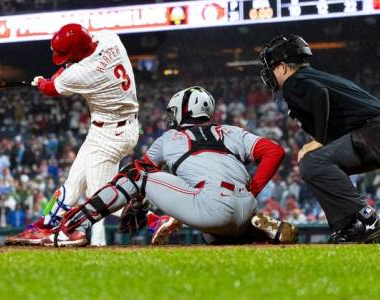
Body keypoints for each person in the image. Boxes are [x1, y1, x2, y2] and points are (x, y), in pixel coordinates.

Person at [43, 86, 295, 247]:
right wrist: (252, 190)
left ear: (181, 111)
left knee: (135, 173)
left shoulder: (169, 138)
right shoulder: (231, 131)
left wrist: (135, 203)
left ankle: (75, 225)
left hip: (211, 206)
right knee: (212, 235)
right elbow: (274, 151)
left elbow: (138, 175)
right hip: (244, 204)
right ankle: (253, 231)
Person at [258, 34, 380, 243]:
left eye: (271, 68)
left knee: (312, 162)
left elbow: (320, 95)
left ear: (282, 68)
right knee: (316, 165)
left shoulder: (294, 82)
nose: (270, 74)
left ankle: (366, 218)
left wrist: (319, 139)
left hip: (377, 133)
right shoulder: (311, 77)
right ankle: (348, 227)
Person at [5, 23, 139, 246]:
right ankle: (47, 224)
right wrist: (50, 79)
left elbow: (52, 88)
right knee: (73, 184)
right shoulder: (109, 38)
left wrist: (41, 82)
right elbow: (69, 68)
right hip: (115, 127)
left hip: (111, 134)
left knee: (100, 196)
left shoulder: (82, 72)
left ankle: (155, 220)